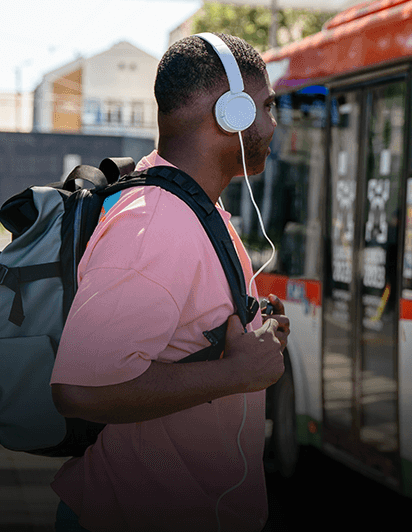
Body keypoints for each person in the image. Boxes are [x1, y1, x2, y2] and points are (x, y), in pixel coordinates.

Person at [49, 32, 290, 532]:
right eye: (266, 107)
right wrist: (238, 375)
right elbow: (80, 388)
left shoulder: (198, 208)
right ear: (232, 115)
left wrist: (249, 337)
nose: (272, 124)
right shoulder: (156, 223)